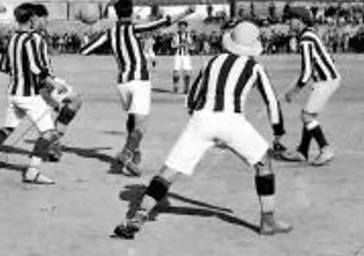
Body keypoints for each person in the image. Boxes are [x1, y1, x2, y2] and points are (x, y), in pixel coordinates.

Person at [113, 22, 289, 239]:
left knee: (169, 172)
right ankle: (268, 220)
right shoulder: (255, 67)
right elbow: (272, 102)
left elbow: (193, 97)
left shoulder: (212, 61)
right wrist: (278, 132)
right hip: (233, 121)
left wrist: (202, 124)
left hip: (202, 119)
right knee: (263, 164)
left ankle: (138, 216)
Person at [80, 0, 196, 176]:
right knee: (141, 125)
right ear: (131, 12)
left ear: (116, 14)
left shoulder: (109, 32)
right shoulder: (135, 27)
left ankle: (135, 153)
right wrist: (186, 11)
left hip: (123, 82)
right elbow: (163, 22)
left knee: (132, 118)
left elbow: (84, 51)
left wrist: (90, 29)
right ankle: (127, 153)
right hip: (139, 80)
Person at [0, 2, 60, 186]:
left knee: (7, 129)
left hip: (14, 93)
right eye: (43, 19)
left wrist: (19, 72)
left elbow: (2, 66)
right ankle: (32, 172)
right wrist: (54, 85)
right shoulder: (35, 39)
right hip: (29, 95)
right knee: (49, 133)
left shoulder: (12, 39)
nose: (45, 22)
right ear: (33, 18)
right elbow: (37, 68)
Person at [280, 6, 340, 166]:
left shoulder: (305, 39)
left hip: (325, 80)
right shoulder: (311, 34)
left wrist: (294, 91)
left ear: (299, 21)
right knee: (308, 115)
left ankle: (325, 148)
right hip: (328, 79)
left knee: (306, 117)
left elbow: (306, 70)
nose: (288, 22)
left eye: (291, 19)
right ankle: (302, 151)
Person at [171, 19, 195, 94]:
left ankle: (186, 88)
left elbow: (193, 46)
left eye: (184, 27)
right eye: (181, 27)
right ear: (179, 27)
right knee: (176, 71)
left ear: (186, 27)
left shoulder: (189, 35)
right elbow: (173, 45)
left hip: (186, 55)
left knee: (187, 72)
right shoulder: (176, 35)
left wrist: (188, 44)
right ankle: (175, 87)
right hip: (178, 55)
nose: (182, 28)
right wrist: (180, 45)